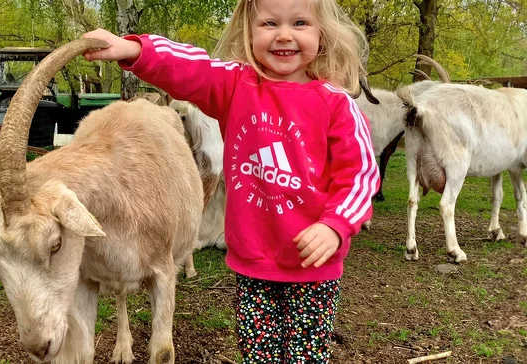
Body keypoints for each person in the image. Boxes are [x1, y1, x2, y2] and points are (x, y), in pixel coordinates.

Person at [83, 0, 379, 361]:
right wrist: (133, 49)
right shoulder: (237, 86)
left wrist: (335, 226)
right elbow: (191, 67)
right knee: (258, 354)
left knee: (305, 357)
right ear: (249, 31)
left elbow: (360, 177)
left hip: (313, 269)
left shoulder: (337, 105)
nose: (284, 34)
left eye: (300, 23)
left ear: (323, 33)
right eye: (269, 23)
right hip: (253, 264)